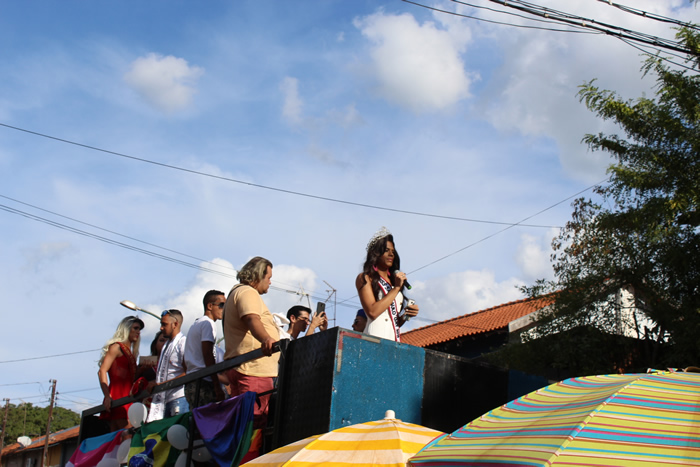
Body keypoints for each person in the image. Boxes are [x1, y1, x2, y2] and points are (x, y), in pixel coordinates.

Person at [224, 256, 280, 428]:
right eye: (268, 277)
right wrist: (266, 339)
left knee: (243, 423)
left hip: (244, 367)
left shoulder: (237, 292)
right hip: (253, 370)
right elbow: (251, 318)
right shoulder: (248, 292)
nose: (270, 282)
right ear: (258, 276)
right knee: (255, 423)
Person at [355, 227, 418, 342]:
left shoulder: (394, 282)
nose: (391, 254)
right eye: (386, 250)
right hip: (373, 339)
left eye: (393, 251)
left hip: (392, 341)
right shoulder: (365, 278)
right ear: (376, 253)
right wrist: (396, 288)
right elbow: (372, 312)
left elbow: (393, 322)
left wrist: (406, 314)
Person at [98, 315, 144, 431]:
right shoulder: (117, 347)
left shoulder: (130, 352)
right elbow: (102, 370)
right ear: (126, 329)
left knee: (121, 435)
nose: (138, 332)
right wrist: (107, 395)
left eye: (139, 329)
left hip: (128, 396)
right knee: (125, 434)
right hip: (118, 396)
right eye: (135, 328)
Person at [184, 290, 227, 408]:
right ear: (210, 306)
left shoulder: (196, 324)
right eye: (221, 305)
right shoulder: (208, 324)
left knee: (198, 416)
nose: (224, 309)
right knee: (211, 416)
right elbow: (207, 353)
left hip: (192, 381)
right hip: (204, 382)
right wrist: (217, 386)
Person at [146, 309, 188, 422]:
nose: (161, 328)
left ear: (175, 324)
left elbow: (188, 372)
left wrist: (162, 385)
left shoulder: (183, 342)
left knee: (178, 431)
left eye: (164, 324)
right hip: (164, 401)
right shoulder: (166, 345)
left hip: (178, 398)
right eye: (161, 324)